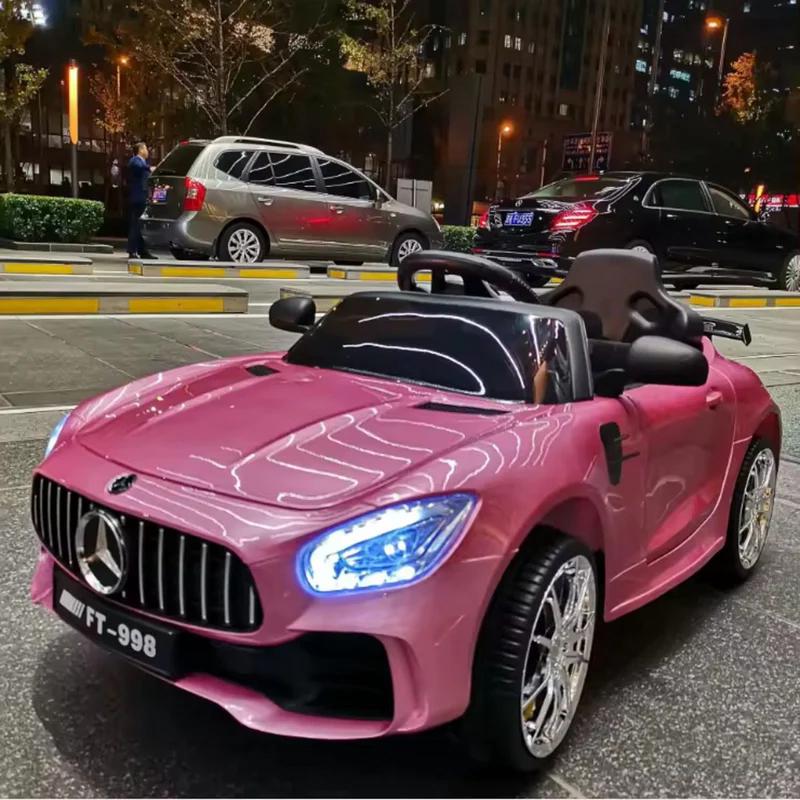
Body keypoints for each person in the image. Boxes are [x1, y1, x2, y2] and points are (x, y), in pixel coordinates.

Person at [127, 142, 154, 258]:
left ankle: (142, 250)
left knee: (141, 224)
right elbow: (137, 166)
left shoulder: (142, 162)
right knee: (136, 224)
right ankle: (132, 250)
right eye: (146, 148)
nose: (147, 151)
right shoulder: (135, 160)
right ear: (141, 150)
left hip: (142, 196)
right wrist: (149, 168)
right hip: (138, 197)